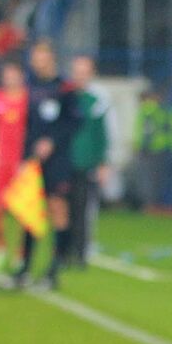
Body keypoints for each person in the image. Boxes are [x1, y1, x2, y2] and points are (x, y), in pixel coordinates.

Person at [12, 41, 79, 290]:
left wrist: (52, 141)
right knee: (28, 211)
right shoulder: (29, 89)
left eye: (41, 57)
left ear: (51, 58)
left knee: (57, 208)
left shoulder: (65, 88)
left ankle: (54, 269)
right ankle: (25, 267)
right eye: (34, 57)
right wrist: (23, 158)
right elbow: (25, 127)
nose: (36, 61)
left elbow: (73, 122)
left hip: (58, 160)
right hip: (31, 161)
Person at [66, 54, 110, 267]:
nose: (80, 76)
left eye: (84, 72)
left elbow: (102, 135)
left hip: (86, 164)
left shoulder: (96, 102)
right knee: (63, 210)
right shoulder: (65, 97)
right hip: (64, 163)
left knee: (83, 210)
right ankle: (63, 251)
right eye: (77, 71)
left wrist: (102, 162)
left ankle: (81, 253)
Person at [0, 59, 29, 275]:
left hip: (20, 163)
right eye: (7, 74)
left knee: (22, 209)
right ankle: (1, 247)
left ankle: (20, 253)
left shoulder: (28, 100)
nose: (10, 78)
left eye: (14, 74)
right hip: (0, 162)